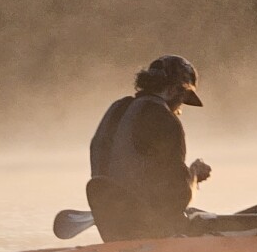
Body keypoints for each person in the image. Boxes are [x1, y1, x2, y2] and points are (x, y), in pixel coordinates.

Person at [87, 55, 212, 242]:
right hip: (151, 230)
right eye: (183, 97)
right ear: (173, 89)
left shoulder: (116, 110)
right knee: (197, 219)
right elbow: (179, 197)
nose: (180, 106)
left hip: (111, 222)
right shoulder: (165, 119)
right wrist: (194, 174)